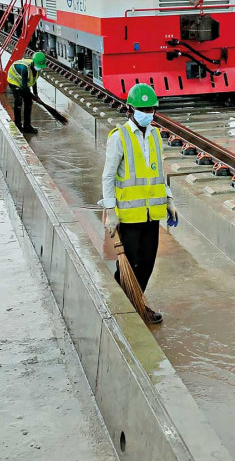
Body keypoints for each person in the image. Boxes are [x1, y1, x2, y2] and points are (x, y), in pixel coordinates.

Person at [100, 84, 179, 324]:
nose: (148, 113)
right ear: (131, 109)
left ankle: (138, 303)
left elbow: (158, 172)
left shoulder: (155, 135)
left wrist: (169, 199)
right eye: (143, 108)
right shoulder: (119, 137)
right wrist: (110, 211)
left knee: (146, 263)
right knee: (127, 266)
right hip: (129, 216)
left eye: (151, 108)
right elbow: (108, 176)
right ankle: (123, 309)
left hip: (152, 214)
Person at [5, 51, 47, 134]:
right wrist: (33, 97)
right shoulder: (25, 69)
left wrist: (36, 94)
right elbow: (24, 88)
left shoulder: (37, 69)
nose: (39, 67)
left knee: (28, 102)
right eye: (38, 66)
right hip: (14, 80)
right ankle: (18, 125)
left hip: (23, 82)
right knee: (19, 101)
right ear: (34, 63)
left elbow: (34, 81)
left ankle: (27, 126)